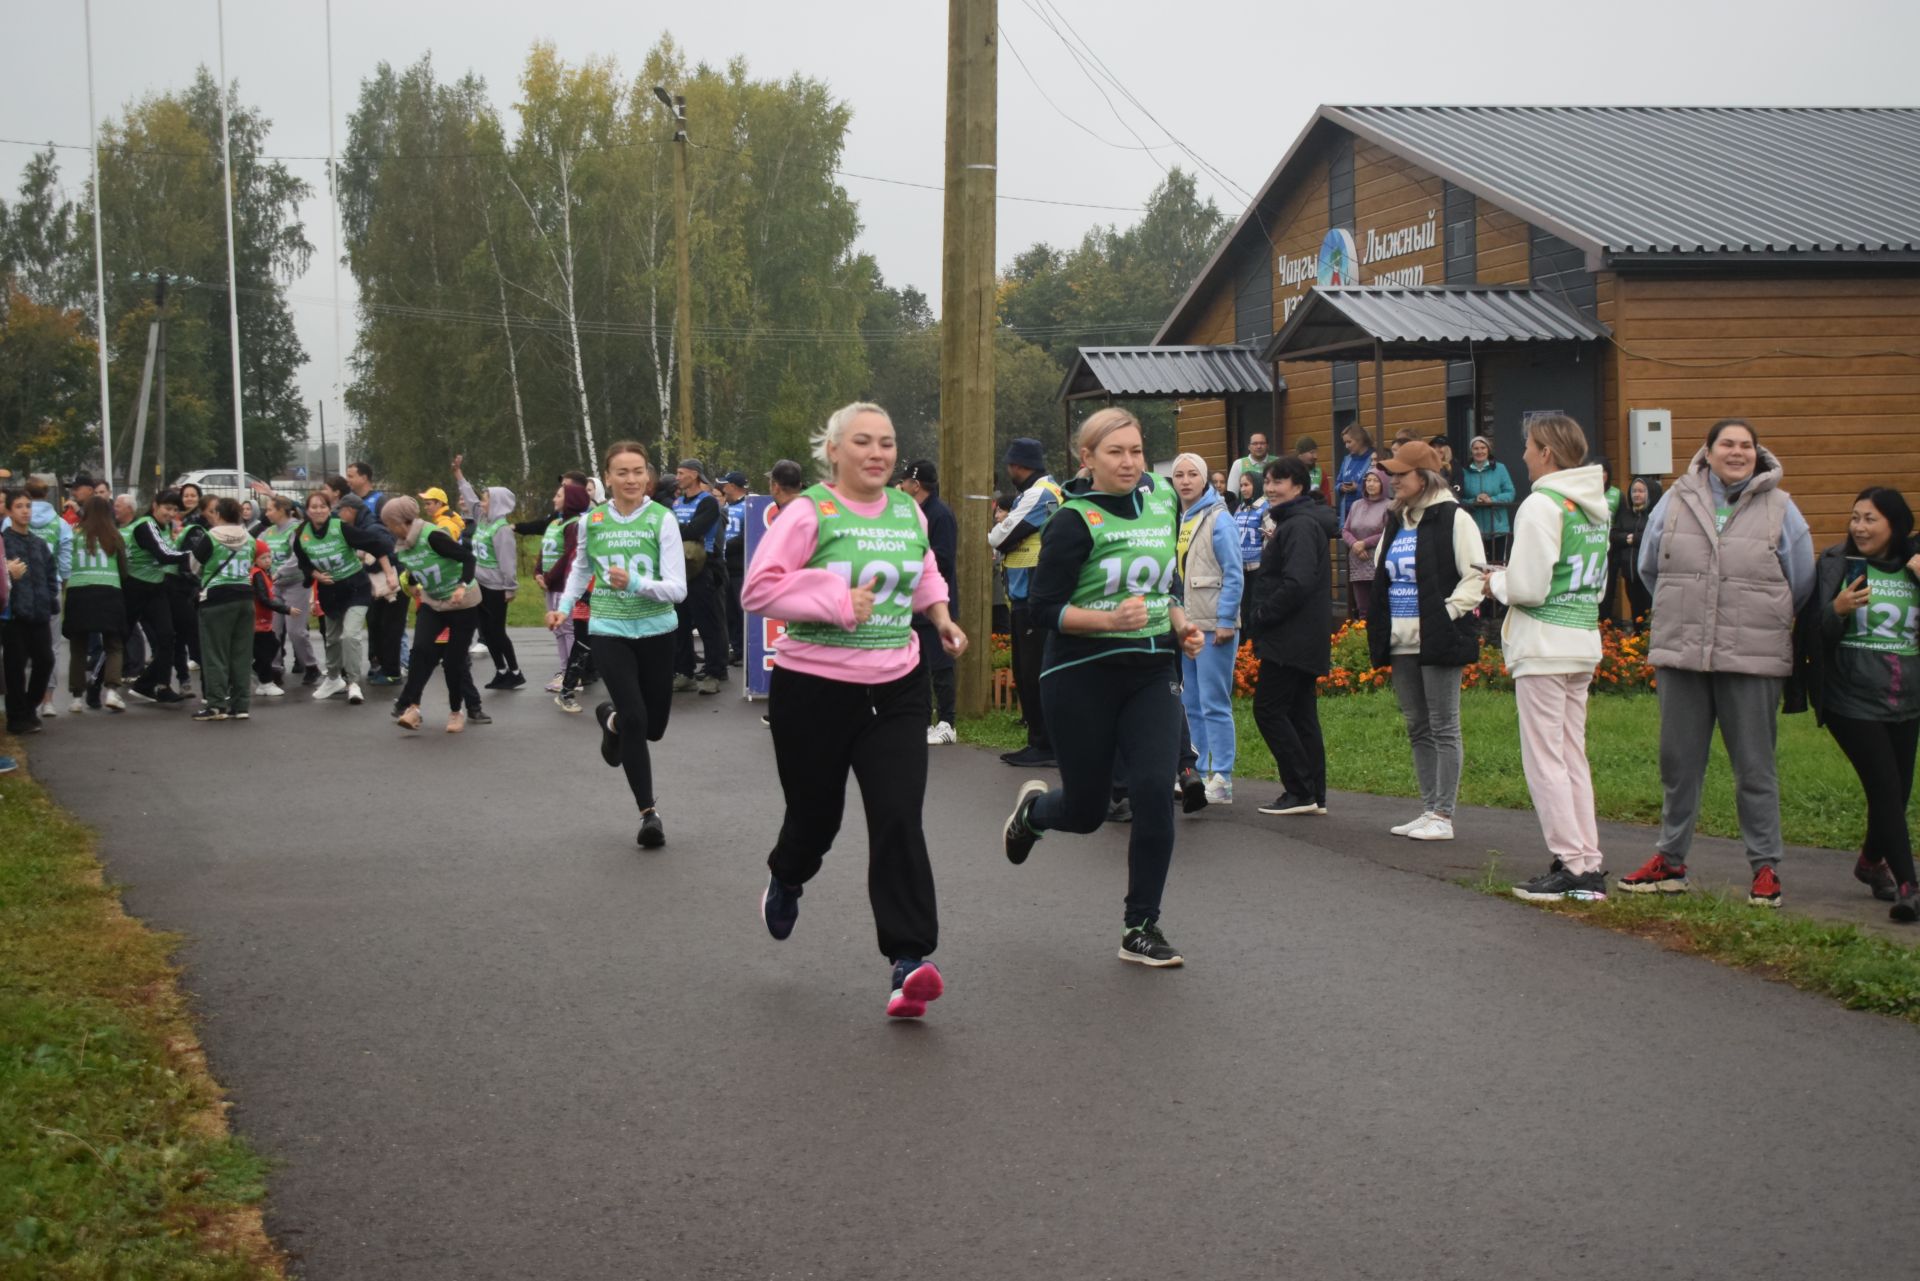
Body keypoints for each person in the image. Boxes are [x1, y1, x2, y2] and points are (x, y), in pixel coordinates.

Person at [744, 403, 965, 1018]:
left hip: (895, 685)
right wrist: (836, 600)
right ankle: (787, 876)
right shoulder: (810, 511)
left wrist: (941, 618)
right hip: (813, 689)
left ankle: (910, 960)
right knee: (817, 819)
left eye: (888, 443)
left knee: (898, 816)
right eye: (863, 442)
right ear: (833, 451)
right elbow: (759, 589)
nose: (878, 453)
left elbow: (923, 570)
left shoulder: (907, 510)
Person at [1002, 408, 1205, 968]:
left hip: (1149, 672)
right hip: (1079, 675)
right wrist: (1107, 621)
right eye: (1116, 453)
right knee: (1088, 811)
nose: (1130, 463)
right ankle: (1036, 814)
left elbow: (1163, 584)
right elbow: (1042, 610)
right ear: (1086, 459)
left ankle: (1141, 925)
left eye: (1137, 451)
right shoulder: (1073, 521)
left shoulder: (1164, 498)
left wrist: (1182, 624)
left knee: (1152, 793)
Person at [1626, 418, 1814, 907]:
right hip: (1682, 654)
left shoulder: (1781, 508)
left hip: (1751, 658)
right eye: (1727, 444)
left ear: (1758, 452)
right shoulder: (1676, 499)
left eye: (1746, 445)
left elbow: (1802, 581)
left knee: (1755, 767)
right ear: (1706, 452)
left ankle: (1765, 869)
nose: (1737, 452)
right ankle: (1670, 862)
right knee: (1678, 764)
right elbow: (1651, 568)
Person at [1486, 415, 1612, 901]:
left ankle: (1573, 866)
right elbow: (1593, 585)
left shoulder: (1541, 504)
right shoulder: (1594, 505)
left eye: (1529, 447)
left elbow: (1528, 587)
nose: (1523, 456)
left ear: (1547, 453)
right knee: (1571, 756)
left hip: (1543, 645)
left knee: (1545, 761)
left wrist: (1494, 581)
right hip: (1581, 637)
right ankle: (1588, 861)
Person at [551, 442, 687, 845]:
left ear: (649, 476)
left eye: (638, 471)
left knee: (653, 727)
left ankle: (610, 721)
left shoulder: (662, 520)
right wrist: (563, 606)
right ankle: (649, 814)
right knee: (638, 718)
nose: (631, 480)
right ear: (606, 478)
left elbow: (678, 589)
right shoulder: (591, 521)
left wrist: (638, 583)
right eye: (622, 472)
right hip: (609, 629)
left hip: (658, 631)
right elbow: (580, 571)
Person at [1807, 487, 1920, 921]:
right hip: (1851, 698)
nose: (1859, 526)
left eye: (1870, 518)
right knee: (1886, 788)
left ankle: (1870, 862)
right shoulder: (1838, 565)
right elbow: (1813, 633)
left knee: (1898, 791)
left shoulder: (1913, 567)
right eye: (1855, 517)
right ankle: (1909, 884)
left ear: (1895, 524)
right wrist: (1835, 609)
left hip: (1906, 697)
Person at [1367, 441, 1487, 842]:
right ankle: (1428, 807)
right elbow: (1381, 570)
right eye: (1392, 474)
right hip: (1401, 639)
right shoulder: (1396, 520)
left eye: (1401, 474)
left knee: (1444, 725)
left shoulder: (1454, 518)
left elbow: (1475, 575)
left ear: (1424, 476)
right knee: (1418, 725)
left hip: (1438, 637)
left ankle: (1443, 814)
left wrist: (1445, 613)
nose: (1393, 480)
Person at [1248, 456, 1337, 815]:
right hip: (1303, 636)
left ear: (1298, 487)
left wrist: (1261, 615)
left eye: (1278, 481)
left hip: (1290, 637)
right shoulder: (1300, 522)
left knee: (1268, 710)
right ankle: (1313, 794)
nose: (1269, 488)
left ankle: (1299, 790)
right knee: (1301, 714)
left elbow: (1297, 583)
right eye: (1267, 481)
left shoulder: (1299, 525)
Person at [1170, 453, 1244, 804]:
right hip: (1190, 625)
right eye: (1178, 475)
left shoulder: (1219, 519)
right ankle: (1195, 774)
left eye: (1192, 474)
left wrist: (1227, 619)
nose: (1185, 481)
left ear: (1204, 480)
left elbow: (1234, 572)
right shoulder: (1182, 518)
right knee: (1191, 702)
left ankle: (1223, 779)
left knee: (1215, 702)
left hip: (1215, 625)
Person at [987, 437, 1063, 768]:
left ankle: (1044, 744)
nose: (1008, 470)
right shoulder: (1031, 494)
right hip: (1024, 595)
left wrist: (998, 532)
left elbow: (1000, 536)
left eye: (1010, 465)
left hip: (1035, 596)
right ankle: (1039, 740)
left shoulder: (1042, 493)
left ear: (1020, 465)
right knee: (1025, 671)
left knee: (1034, 674)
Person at [383, 496, 483, 733]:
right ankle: (413, 708)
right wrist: (415, 583)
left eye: (389, 523)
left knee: (453, 662)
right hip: (433, 602)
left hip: (462, 603)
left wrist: (460, 586)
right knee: (420, 652)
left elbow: (468, 558)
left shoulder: (433, 536)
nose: (388, 528)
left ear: (401, 521)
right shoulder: (403, 543)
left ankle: (456, 712)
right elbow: (421, 565)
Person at [294, 488, 396, 706]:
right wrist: (315, 575)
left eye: (323, 506)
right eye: (314, 507)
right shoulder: (301, 535)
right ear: (307, 510)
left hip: (356, 587)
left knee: (350, 635)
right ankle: (333, 679)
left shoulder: (340, 528)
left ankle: (353, 683)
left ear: (330, 509)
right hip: (330, 592)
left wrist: (389, 574)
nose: (319, 510)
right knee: (332, 639)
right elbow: (303, 562)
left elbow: (377, 546)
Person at [184, 497, 265, 722]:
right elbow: (250, 562)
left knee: (215, 653)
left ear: (218, 514)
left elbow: (193, 566)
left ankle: (216, 704)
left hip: (216, 599)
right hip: (244, 597)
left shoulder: (211, 537)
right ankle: (241, 705)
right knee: (241, 654)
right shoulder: (249, 538)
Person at [898, 459, 959, 745]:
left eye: (904, 482)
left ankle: (948, 722)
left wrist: (912, 563)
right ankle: (922, 721)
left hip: (937, 604)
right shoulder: (915, 513)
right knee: (919, 667)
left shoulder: (939, 514)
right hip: (917, 606)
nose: (900, 486)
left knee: (941, 665)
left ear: (916, 484)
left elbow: (943, 559)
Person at [453, 458, 526, 690]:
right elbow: (470, 497)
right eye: (483, 500)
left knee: (497, 631)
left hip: (496, 587)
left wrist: (510, 587)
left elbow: (507, 561)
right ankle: (500, 671)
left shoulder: (501, 529)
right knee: (486, 630)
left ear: (497, 504)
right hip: (479, 583)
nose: (482, 504)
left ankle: (515, 671)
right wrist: (458, 474)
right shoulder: (482, 519)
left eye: (486, 500)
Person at [121, 490, 194, 704]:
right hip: (134, 587)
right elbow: (163, 555)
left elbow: (167, 556)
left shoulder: (166, 527)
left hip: (156, 587)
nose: (170, 513)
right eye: (167, 508)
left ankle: (157, 686)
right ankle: (97, 686)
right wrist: (194, 555)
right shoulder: (146, 525)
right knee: (119, 637)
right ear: (155, 506)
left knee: (167, 637)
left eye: (174, 510)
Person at [60, 496, 129, 714]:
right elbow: (124, 570)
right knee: (114, 644)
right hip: (109, 591)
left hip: (79, 592)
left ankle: (77, 698)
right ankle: (111, 691)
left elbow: (66, 564)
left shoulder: (74, 535)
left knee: (78, 647)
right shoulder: (114, 536)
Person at [670, 459, 729, 695]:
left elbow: (696, 529)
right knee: (680, 622)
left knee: (708, 623)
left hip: (705, 569)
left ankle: (715, 672)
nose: (677, 477)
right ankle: (685, 672)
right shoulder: (677, 502)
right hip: (680, 569)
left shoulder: (708, 503)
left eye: (681, 473)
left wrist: (675, 532)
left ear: (694, 475)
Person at [4, 488, 59, 734]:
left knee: (45, 661)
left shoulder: (39, 543)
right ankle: (16, 717)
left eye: (28, 506)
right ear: (8, 511)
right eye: (19, 506)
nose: (25, 511)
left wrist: (49, 599)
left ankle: (29, 707)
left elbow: (50, 574)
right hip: (15, 615)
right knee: (15, 667)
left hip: (40, 613)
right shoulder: (4, 542)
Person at [345, 461, 404, 685]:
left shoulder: (378, 501)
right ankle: (379, 664)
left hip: (386, 574)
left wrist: (376, 563)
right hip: (369, 575)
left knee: (391, 625)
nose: (348, 479)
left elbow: (387, 540)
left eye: (351, 475)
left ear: (365, 477)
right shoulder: (354, 507)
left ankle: (392, 669)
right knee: (376, 622)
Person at [539, 480, 596, 708]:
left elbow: (570, 558)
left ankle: (573, 678)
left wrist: (551, 576)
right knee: (570, 634)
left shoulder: (576, 524)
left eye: (559, 495)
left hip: (579, 587)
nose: (554, 499)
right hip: (568, 588)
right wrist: (538, 572)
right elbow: (546, 551)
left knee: (578, 635)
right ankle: (567, 679)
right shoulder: (557, 522)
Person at [24, 477, 74, 718]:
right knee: (51, 646)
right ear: (48, 494)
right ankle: (48, 700)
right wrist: (64, 581)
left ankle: (25, 698)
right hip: (49, 586)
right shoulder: (59, 523)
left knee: (21, 646)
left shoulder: (15, 520)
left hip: (21, 587)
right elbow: (65, 559)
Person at [262, 495, 320, 685]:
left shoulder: (296, 529)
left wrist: (279, 572)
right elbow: (255, 549)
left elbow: (298, 558)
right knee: (273, 629)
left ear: (281, 510)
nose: (267, 513)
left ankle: (311, 665)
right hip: (274, 586)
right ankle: (275, 667)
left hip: (296, 584)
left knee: (296, 630)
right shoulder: (268, 532)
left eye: (270, 509)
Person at [1341, 466, 1391, 622]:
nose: (1371, 484)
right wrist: (1355, 544)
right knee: (1363, 609)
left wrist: (1365, 543)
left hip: (1378, 559)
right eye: (1368, 480)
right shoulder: (1356, 505)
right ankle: (1364, 640)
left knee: (1380, 607)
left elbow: (1387, 532)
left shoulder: (1389, 505)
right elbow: (1346, 530)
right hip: (1358, 561)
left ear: (1383, 483)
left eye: (1375, 480)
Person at [1610, 477, 1661, 630]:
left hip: (1649, 574)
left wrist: (1636, 538)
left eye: (1641, 491)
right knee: (1635, 611)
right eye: (1634, 491)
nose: (1636, 495)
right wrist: (1627, 538)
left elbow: (1653, 536)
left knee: (1650, 612)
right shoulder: (1625, 515)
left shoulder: (1654, 515)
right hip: (1630, 573)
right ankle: (1638, 643)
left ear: (1649, 494)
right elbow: (1613, 535)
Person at [248, 539, 298, 696]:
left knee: (273, 645)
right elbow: (264, 599)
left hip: (263, 620)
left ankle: (259, 673)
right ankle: (266, 682)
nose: (268, 560)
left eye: (269, 556)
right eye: (263, 558)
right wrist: (286, 609)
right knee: (265, 651)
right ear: (254, 560)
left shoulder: (263, 573)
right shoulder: (257, 575)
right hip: (258, 621)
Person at [1460, 436, 1516, 563]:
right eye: (1476, 448)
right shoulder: (1464, 472)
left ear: (1488, 450)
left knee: (1498, 565)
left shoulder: (1500, 468)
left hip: (1498, 528)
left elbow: (1510, 492)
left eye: (1483, 448)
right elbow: (1459, 499)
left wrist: (1493, 499)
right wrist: (1474, 500)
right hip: (1474, 528)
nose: (1479, 451)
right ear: (1471, 451)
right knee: (1478, 566)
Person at [717, 470, 750, 664]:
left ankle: (745, 651)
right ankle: (736, 648)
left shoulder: (748, 506)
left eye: (725, 484)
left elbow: (748, 536)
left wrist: (724, 547)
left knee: (740, 611)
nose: (722, 488)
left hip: (739, 566)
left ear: (733, 486)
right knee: (728, 611)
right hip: (725, 566)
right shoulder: (726, 506)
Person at [1334, 422, 1375, 522]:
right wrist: (1341, 487)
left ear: (1360, 441)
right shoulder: (1347, 459)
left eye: (1349, 442)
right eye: (1345, 443)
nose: (1346, 446)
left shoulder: (1374, 458)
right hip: (1347, 513)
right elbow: (1337, 483)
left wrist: (1358, 488)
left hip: (1367, 512)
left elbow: (1380, 485)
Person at [1231, 472, 1268, 579]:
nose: (1242, 489)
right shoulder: (1240, 508)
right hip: (1240, 566)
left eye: (1246, 485)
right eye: (1241, 486)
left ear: (1257, 485)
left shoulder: (1266, 507)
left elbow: (1269, 539)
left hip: (1258, 568)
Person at [1225, 432, 1272, 498]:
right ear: (1249, 447)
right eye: (1255, 443)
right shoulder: (1239, 464)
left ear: (1268, 446)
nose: (1259, 446)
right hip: (1247, 507)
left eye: (1262, 443)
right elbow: (1232, 494)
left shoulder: (1277, 462)